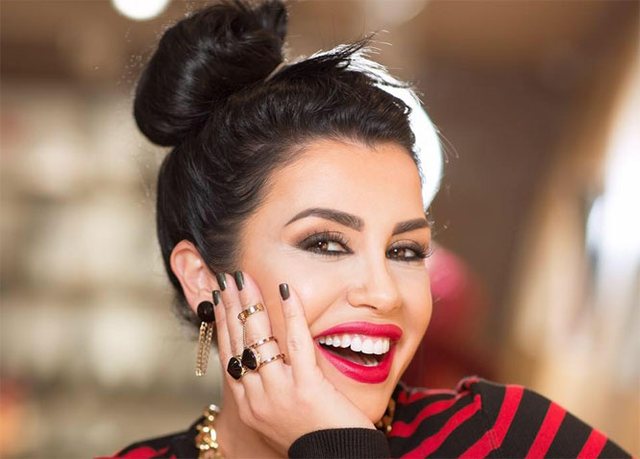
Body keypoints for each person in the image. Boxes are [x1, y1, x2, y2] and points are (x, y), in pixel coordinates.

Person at [110, 1, 631, 457]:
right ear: (202, 278)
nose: (384, 294)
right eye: (326, 243)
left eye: (404, 251)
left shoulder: (505, 440)